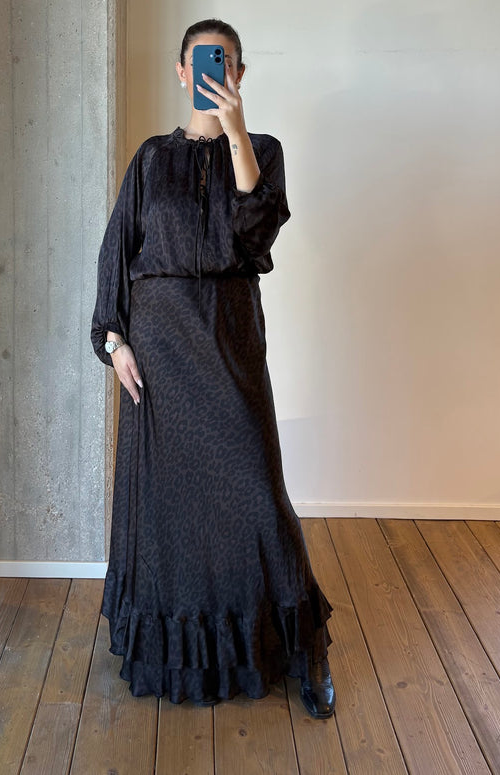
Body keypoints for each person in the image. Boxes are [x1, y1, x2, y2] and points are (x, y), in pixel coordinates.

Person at [91, 18, 335, 718]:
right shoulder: (150, 159)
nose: (211, 71)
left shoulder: (261, 150)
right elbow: (117, 248)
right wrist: (114, 339)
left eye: (223, 61)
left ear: (238, 73)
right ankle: (180, 649)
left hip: (228, 336)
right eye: (200, 61)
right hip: (159, 346)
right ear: (181, 72)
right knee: (170, 510)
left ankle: (303, 648)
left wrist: (235, 130)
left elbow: (258, 234)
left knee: (257, 491)